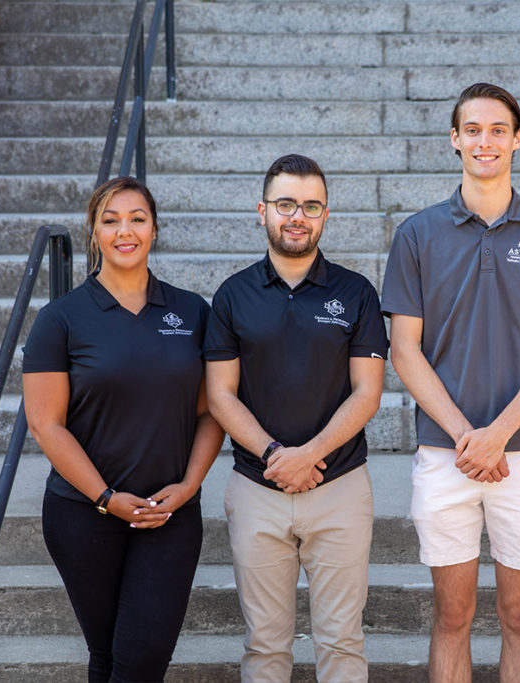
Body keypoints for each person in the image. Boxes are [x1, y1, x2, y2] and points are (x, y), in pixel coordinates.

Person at [381, 83, 520, 681]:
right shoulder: (417, 234)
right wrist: (467, 437)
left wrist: (497, 435)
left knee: (519, 616)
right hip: (445, 453)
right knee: (453, 615)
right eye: (472, 129)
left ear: (518, 139)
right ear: (454, 139)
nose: (485, 141)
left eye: (499, 129)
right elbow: (404, 350)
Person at [22, 176, 224, 682]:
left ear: (155, 228)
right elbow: (46, 424)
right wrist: (105, 497)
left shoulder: (192, 311)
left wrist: (189, 486)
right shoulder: (60, 319)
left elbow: (210, 412)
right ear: (94, 232)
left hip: (169, 513)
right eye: (110, 221)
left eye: (137, 218)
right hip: (83, 514)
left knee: (142, 657)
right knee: (107, 656)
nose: (125, 231)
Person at [204, 154, 388, 682]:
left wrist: (309, 455)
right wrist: (274, 456)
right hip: (257, 487)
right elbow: (220, 395)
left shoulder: (355, 292)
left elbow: (368, 393)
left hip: (340, 486)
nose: (297, 217)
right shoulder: (232, 295)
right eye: (285, 204)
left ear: (325, 215)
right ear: (262, 210)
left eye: (310, 206)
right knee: (264, 646)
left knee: (342, 642)